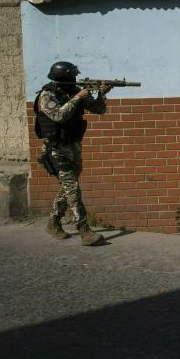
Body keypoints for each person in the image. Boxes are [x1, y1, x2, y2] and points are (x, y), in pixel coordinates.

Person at [34, 61, 112, 246]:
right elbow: (59, 116)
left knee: (69, 187)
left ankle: (53, 222)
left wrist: (101, 93)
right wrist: (78, 97)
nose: (75, 80)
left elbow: (98, 110)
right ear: (63, 78)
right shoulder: (47, 95)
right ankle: (84, 230)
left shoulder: (74, 91)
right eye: (72, 77)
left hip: (73, 146)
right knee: (73, 189)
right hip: (56, 149)